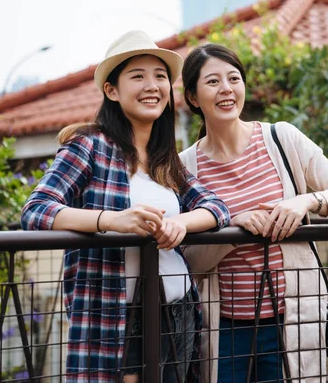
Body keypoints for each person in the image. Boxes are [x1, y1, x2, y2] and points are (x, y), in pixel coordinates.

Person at [21, 31, 230, 383]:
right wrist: (111, 220)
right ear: (112, 91)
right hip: (115, 314)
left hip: (178, 311)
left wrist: (182, 224)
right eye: (138, 76)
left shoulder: (166, 160)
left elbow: (216, 207)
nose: (152, 85)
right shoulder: (89, 145)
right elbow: (37, 210)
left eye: (160, 76)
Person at [179, 43, 328, 382]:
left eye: (234, 78)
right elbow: (189, 261)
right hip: (223, 327)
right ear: (193, 97)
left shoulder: (282, 138)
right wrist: (231, 230)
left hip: (290, 318)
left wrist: (306, 201)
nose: (226, 89)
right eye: (212, 82)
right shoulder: (184, 166)